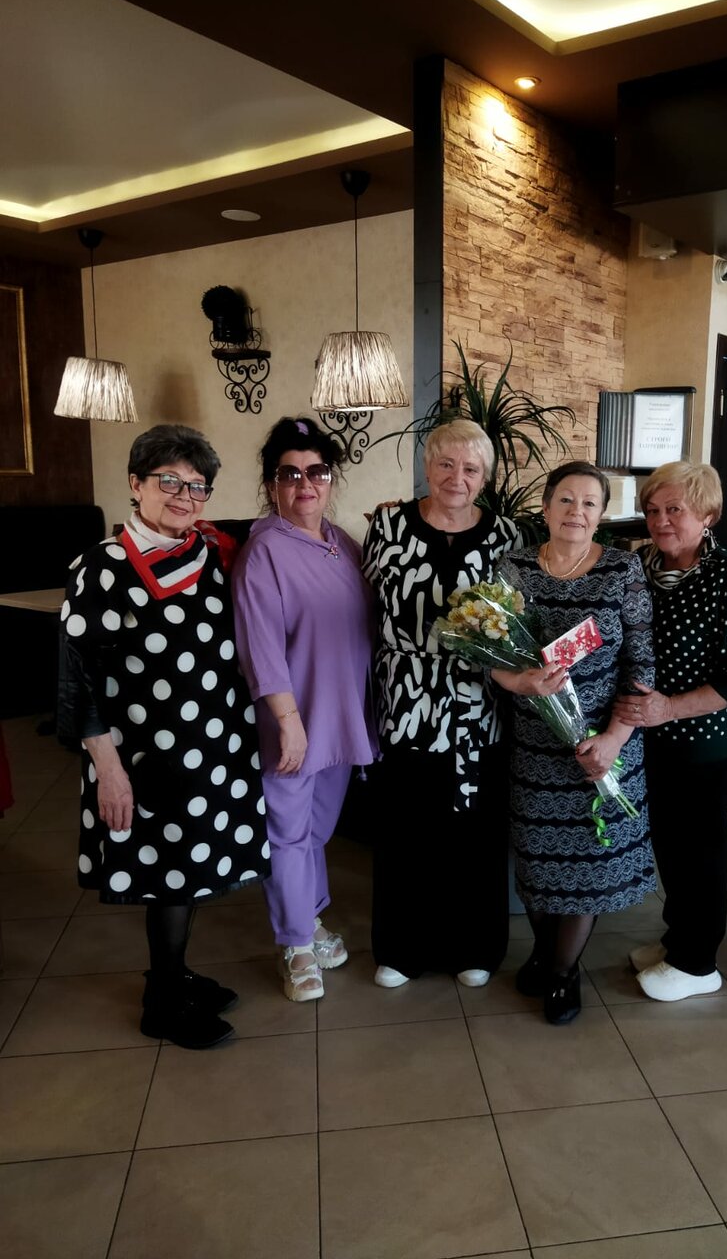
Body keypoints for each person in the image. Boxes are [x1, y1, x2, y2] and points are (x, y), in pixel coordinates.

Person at [58, 424, 269, 1049]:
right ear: (135, 483)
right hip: (146, 754)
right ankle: (162, 1000)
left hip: (216, 744)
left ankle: (175, 974)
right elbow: (78, 678)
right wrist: (108, 769)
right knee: (167, 872)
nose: (184, 497)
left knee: (194, 863)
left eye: (197, 486)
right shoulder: (103, 566)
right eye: (168, 481)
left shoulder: (209, 552)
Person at [493, 460, 656, 1024]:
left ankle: (563, 974)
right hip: (536, 748)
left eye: (589, 503)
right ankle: (546, 954)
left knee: (587, 866)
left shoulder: (622, 569)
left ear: (602, 514)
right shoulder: (513, 568)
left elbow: (642, 663)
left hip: (600, 748)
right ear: (545, 507)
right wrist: (520, 681)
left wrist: (613, 739)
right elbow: (491, 653)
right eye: (566, 500)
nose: (576, 512)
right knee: (539, 862)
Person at [361, 418, 521, 989]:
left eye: (471, 468)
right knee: (408, 825)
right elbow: (363, 603)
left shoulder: (507, 536)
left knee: (474, 829)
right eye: (446, 464)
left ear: (486, 478)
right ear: (427, 467)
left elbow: (518, 619)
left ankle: (475, 946)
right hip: (407, 696)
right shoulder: (386, 525)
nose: (457, 477)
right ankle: (402, 948)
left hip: (480, 701)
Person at [232, 416, 377, 1003]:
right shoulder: (263, 552)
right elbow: (260, 646)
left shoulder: (344, 544)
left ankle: (310, 921)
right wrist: (288, 725)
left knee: (315, 831)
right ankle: (294, 944)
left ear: (331, 478)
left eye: (316, 472)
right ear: (272, 484)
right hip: (292, 721)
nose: (305, 484)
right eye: (289, 474)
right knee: (288, 833)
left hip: (342, 718)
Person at [610, 462, 727, 1001]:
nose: (660, 520)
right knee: (671, 841)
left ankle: (698, 962)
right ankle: (678, 940)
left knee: (699, 846)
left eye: (674, 509)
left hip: (706, 739)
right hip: (653, 733)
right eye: (653, 510)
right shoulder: (642, 565)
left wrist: (669, 709)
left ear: (708, 514)